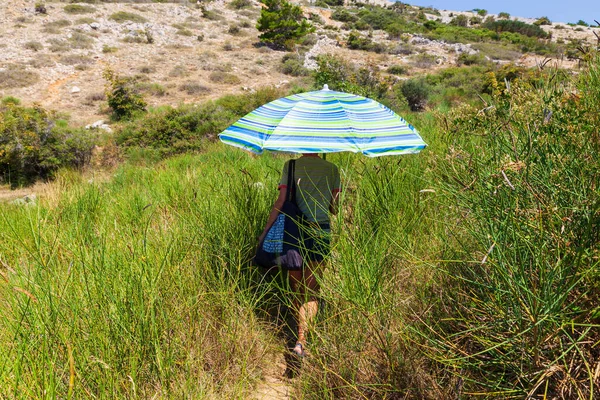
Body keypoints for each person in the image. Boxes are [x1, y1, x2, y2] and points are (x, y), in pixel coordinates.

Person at [258, 153, 341, 358]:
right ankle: (301, 342)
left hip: (294, 231)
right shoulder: (332, 169)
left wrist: (265, 231)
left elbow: (281, 200)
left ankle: (298, 334)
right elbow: (334, 208)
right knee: (312, 289)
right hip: (320, 231)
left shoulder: (291, 165)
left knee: (297, 288)